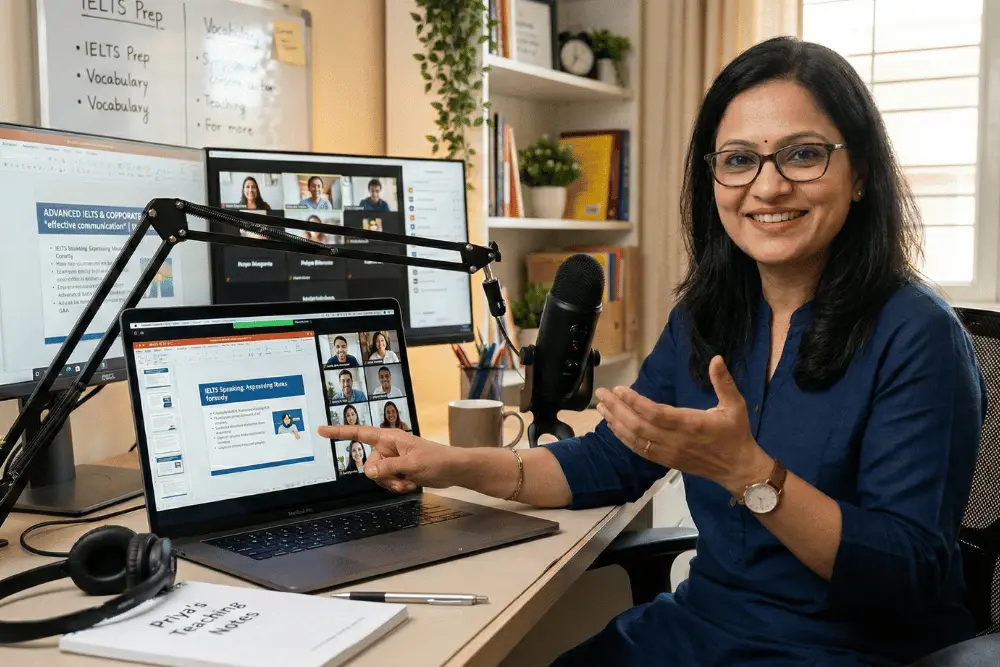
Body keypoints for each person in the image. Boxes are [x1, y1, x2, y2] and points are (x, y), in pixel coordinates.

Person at [318, 37, 986, 667]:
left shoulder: (917, 334)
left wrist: (752, 474)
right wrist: (453, 463)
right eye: (739, 159)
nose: (769, 184)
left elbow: (908, 574)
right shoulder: (709, 315)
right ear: (713, 178)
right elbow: (610, 459)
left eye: (803, 154)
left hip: (845, 652)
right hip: (701, 629)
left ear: (860, 173)